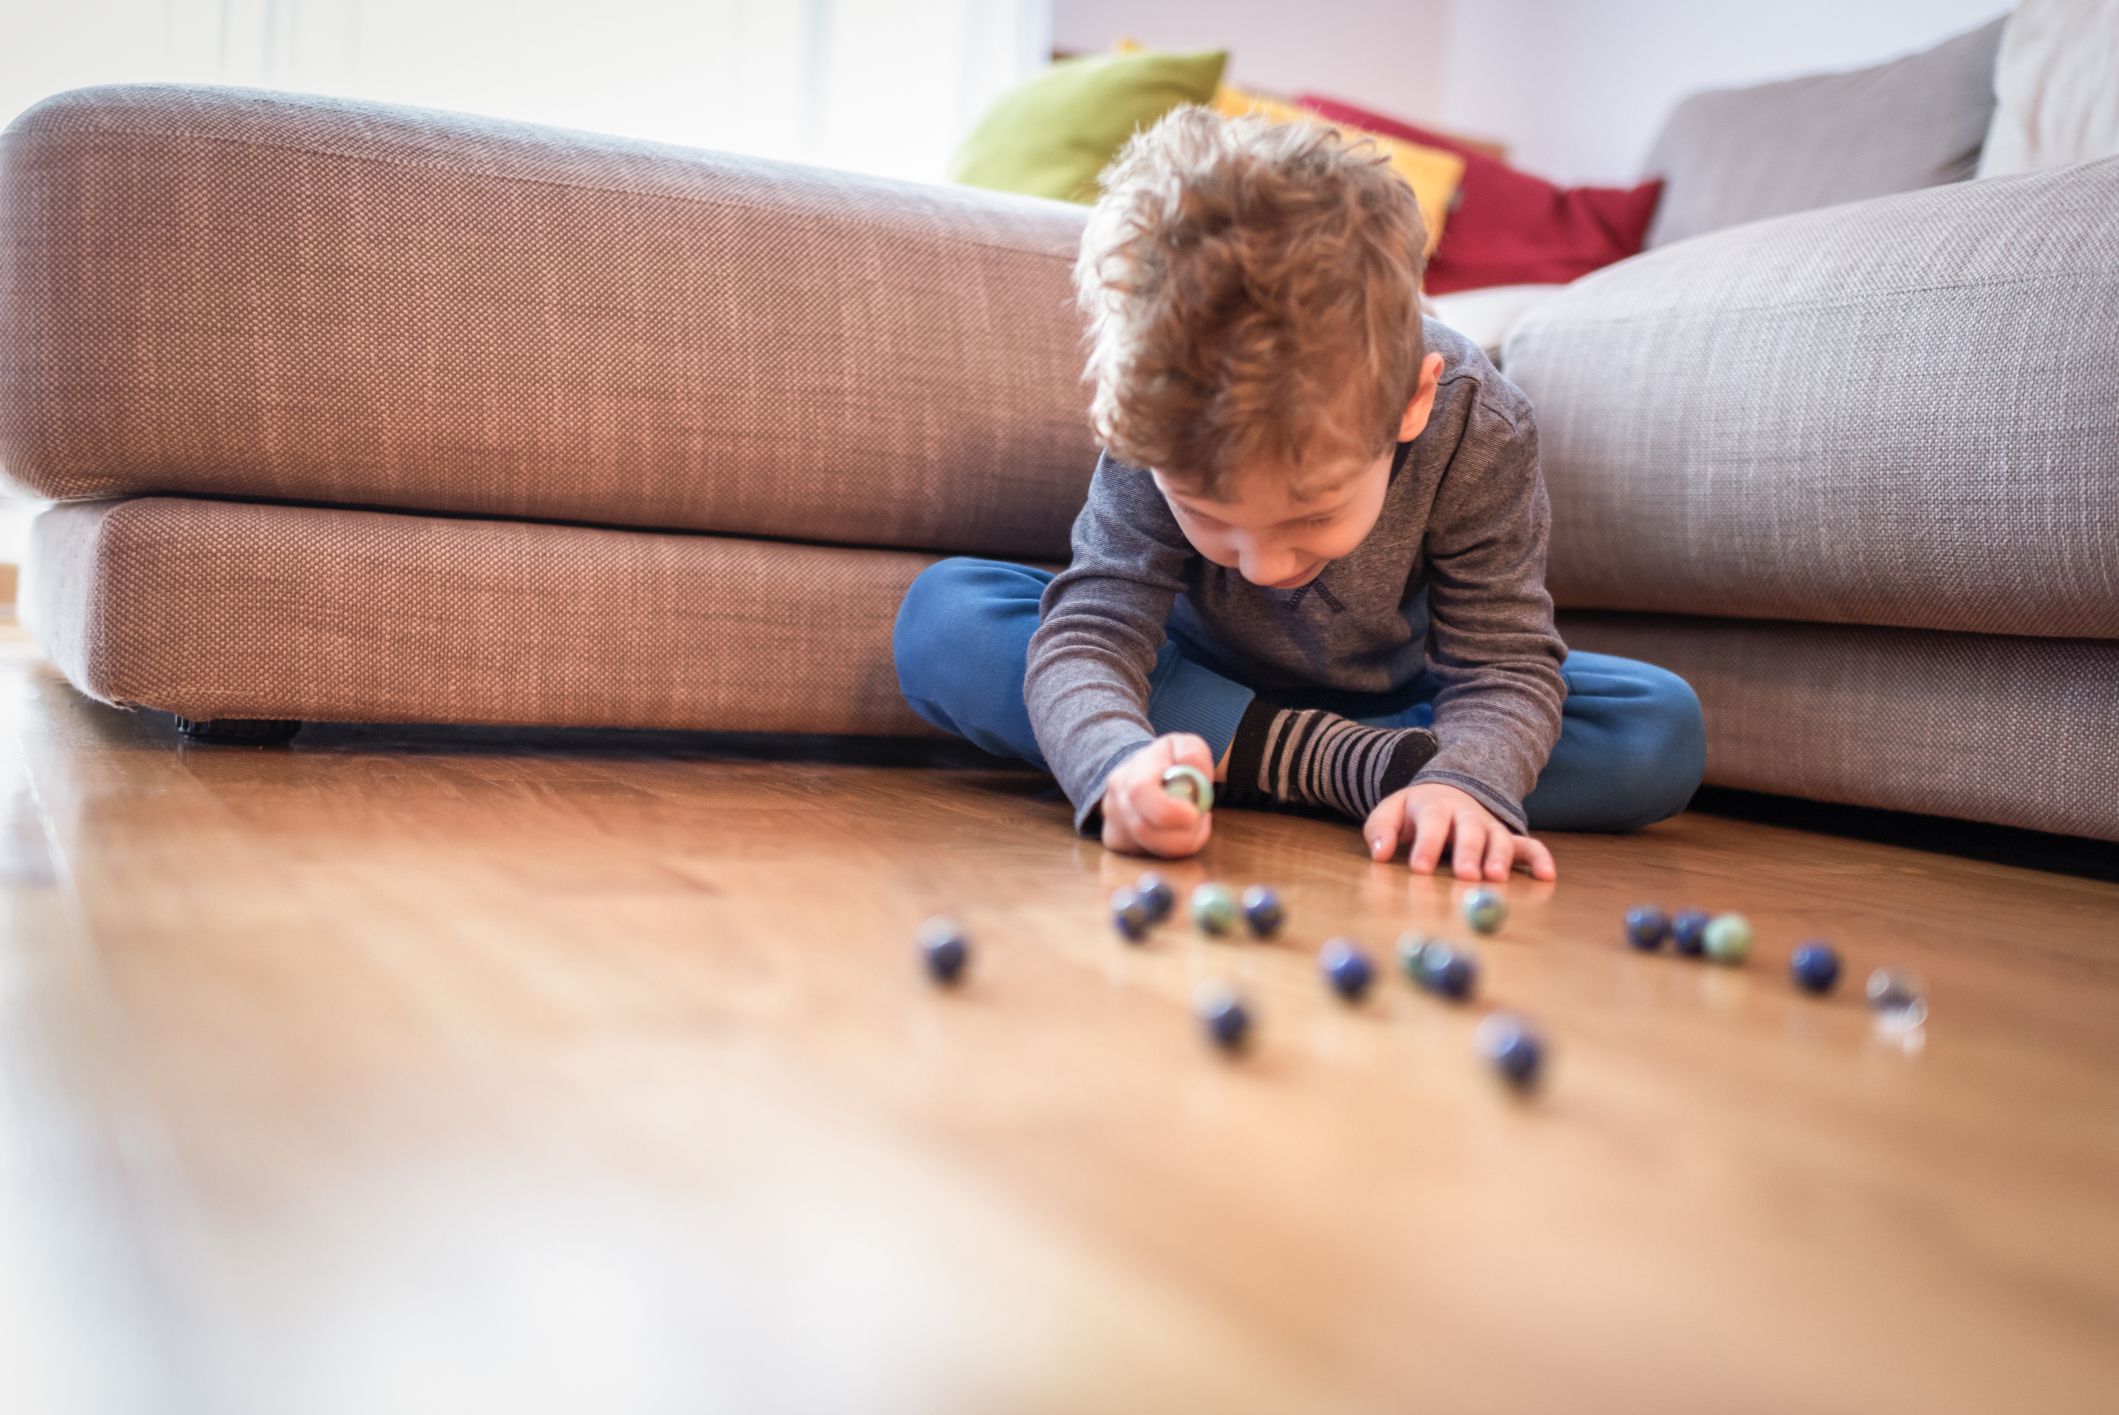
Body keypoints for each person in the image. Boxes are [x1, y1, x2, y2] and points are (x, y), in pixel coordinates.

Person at [893, 106, 1703, 881]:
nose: (1262, 566)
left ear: (1412, 404)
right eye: (1209, 516)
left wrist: (1465, 784)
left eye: (1311, 515)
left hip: (1393, 697)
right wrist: (1113, 765)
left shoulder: (1477, 424)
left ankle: (1263, 761)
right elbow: (1094, 633)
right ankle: (1350, 770)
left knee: (1653, 728)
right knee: (947, 618)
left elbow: (1502, 663)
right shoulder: (1166, 406)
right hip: (1188, 679)